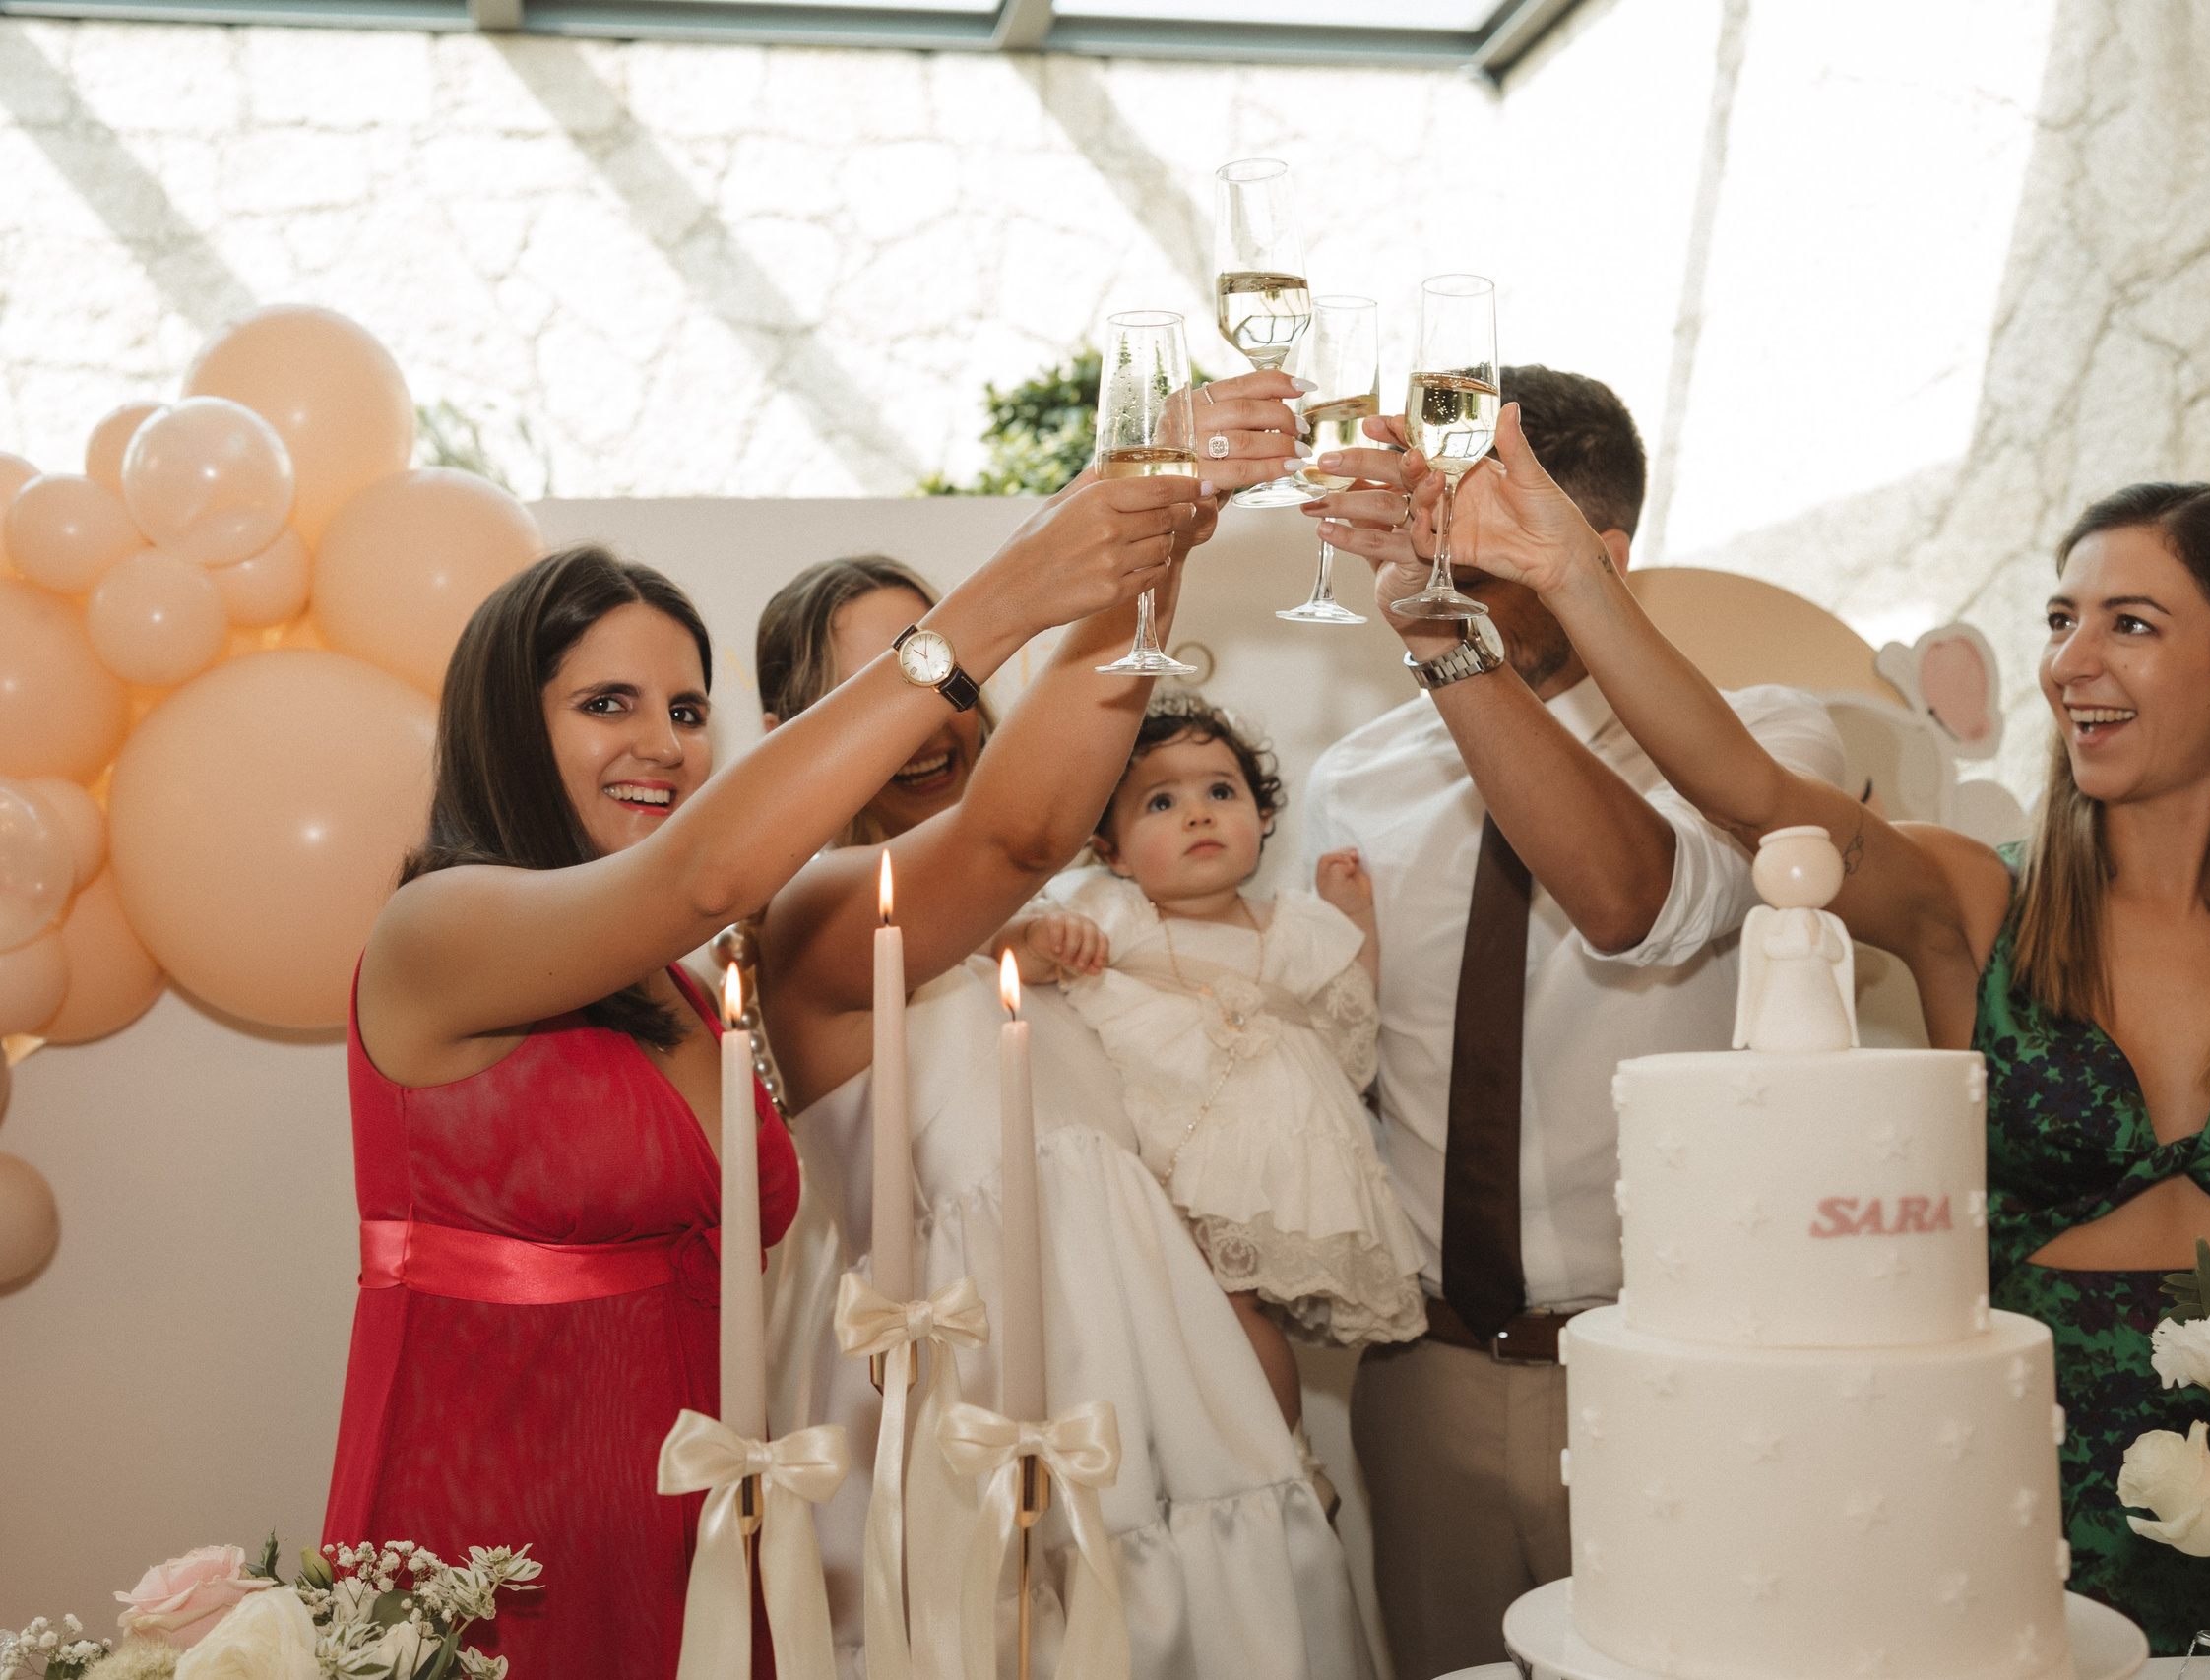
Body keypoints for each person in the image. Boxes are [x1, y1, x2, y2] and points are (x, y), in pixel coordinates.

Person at [1318, 416, 2210, 1666]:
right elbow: (1745, 793)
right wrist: (1567, 574)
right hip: (2036, 1514)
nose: (2069, 664)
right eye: (2059, 619)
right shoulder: (1971, 900)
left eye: (2129, 624)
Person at [324, 476, 1190, 1676]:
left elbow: (1015, 837)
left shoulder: (691, 983)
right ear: (506, 726)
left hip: (704, 1527)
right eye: (607, 702)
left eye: (687, 709)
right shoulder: (435, 931)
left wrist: (1145, 567)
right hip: (492, 1537)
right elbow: (703, 874)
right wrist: (1002, 601)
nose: (662, 744)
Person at [752, 371, 1376, 1680]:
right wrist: (1156, 519)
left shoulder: (1089, 917)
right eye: (886, 681)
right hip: (979, 1429)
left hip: (1178, 1411)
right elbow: (1014, 829)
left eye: (951, 665)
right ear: (791, 734)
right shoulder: (810, 922)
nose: (936, 708)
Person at [1298, 366, 1843, 1680]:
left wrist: (1447, 644)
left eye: (1482, 552)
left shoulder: (1767, 739)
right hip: (1422, 1371)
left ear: (1599, 554)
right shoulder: (1354, 775)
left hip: (1670, 1364)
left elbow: (1628, 900)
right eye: (1435, 540)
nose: (1446, 575)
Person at [1003, 694, 1424, 1438]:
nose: (1198, 815)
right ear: (1112, 851)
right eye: (1162, 802)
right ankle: (1218, 1458)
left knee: (1233, 1308)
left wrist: (1353, 920)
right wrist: (1044, 940)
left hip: (1268, 1156)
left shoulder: (1294, 925)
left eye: (1221, 792)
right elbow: (1003, 960)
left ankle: (1279, 1458)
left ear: (1263, 816)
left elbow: (1353, 1021)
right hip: (1159, 1146)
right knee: (1163, 1314)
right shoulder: (1112, 911)